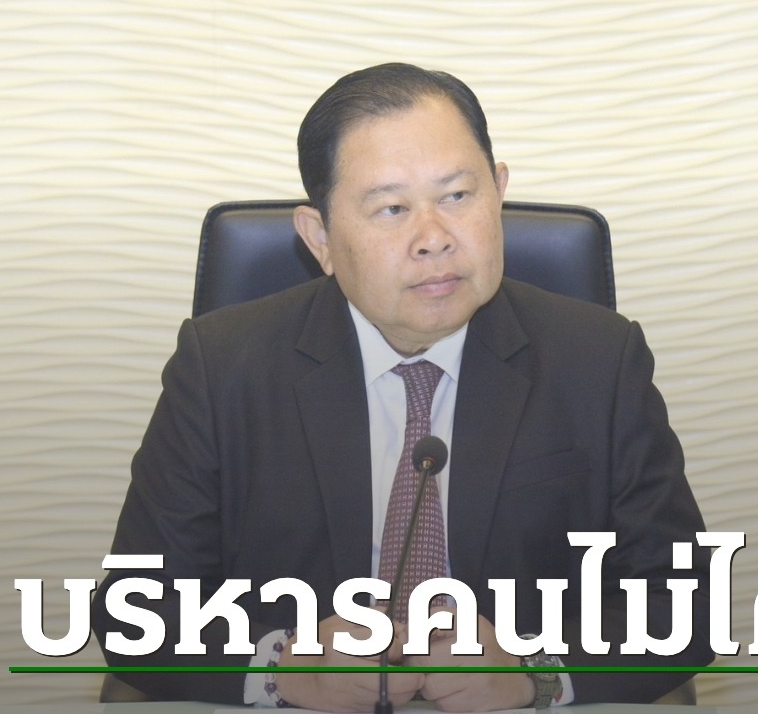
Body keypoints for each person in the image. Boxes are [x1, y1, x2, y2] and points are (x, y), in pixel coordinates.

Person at [92, 62, 713, 711]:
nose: (434, 239)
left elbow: (686, 605)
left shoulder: (598, 360)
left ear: (498, 193)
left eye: (458, 196)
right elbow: (139, 611)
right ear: (320, 238)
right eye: (391, 208)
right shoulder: (222, 366)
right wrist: (283, 668)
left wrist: (536, 668)